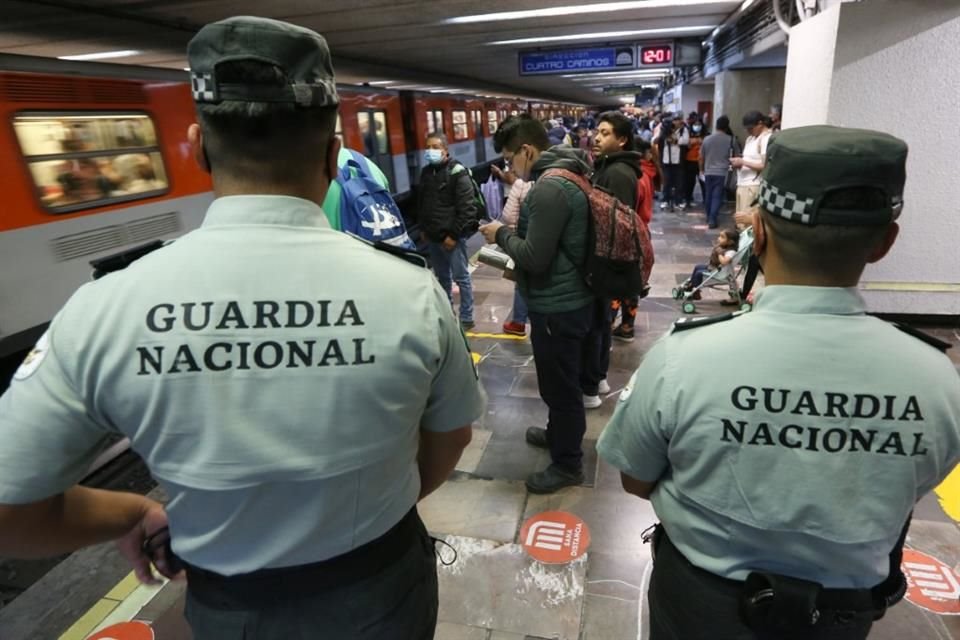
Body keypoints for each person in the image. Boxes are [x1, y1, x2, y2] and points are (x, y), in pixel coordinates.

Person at [0, 17, 485, 640]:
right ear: (335, 156)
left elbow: (10, 509)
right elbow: (450, 437)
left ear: (199, 146)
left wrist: (133, 512)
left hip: (230, 610)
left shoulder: (105, 308)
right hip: (383, 594)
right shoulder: (413, 291)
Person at [597, 125, 960, 640]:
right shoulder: (936, 379)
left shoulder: (686, 355)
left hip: (702, 606)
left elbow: (635, 478)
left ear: (759, 233)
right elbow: (912, 485)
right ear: (884, 243)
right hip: (838, 615)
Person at [478, 114, 601, 494]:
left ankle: (568, 464)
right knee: (560, 383)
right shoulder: (569, 174)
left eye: (511, 158)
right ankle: (558, 435)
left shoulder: (549, 187)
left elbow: (535, 257)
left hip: (558, 307)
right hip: (570, 298)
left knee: (560, 388)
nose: (511, 168)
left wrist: (501, 235)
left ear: (527, 150)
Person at [418, 132, 479, 329]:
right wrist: (424, 228)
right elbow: (424, 203)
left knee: (461, 278)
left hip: (452, 239)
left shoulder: (457, 172)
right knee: (442, 278)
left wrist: (454, 235)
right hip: (434, 238)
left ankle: (467, 317)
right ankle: (447, 315)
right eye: (428, 147)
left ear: (445, 149)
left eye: (435, 147)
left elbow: (467, 209)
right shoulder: (426, 173)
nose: (431, 151)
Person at [700, 115, 740, 229]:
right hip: (723, 173)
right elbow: (736, 157)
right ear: (727, 127)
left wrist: (701, 169)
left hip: (708, 172)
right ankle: (712, 219)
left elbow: (701, 157)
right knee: (717, 196)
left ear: (716, 125)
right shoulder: (732, 140)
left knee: (708, 195)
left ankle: (709, 216)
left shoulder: (707, 139)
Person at [682, 227, 740, 299]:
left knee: (699, 273)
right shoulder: (723, 246)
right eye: (719, 236)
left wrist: (719, 254)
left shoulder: (731, 251)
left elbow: (724, 262)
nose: (719, 238)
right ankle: (692, 284)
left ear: (730, 242)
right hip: (713, 267)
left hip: (719, 271)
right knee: (697, 267)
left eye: (722, 237)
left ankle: (695, 290)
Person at [658, 116, 688, 212]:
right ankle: (665, 200)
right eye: (674, 121)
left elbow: (685, 141)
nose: (675, 123)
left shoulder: (683, 130)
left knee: (679, 183)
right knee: (667, 182)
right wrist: (666, 133)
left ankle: (678, 201)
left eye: (678, 120)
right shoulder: (665, 131)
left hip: (678, 161)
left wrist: (675, 140)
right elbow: (658, 140)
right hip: (667, 161)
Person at [683, 112, 704, 208]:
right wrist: (693, 141)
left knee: (703, 182)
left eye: (699, 124)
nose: (697, 126)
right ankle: (688, 199)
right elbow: (686, 145)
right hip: (690, 161)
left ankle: (706, 199)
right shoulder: (687, 133)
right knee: (689, 182)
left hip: (702, 161)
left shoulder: (705, 134)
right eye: (695, 124)